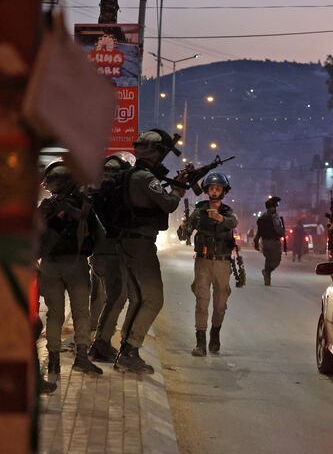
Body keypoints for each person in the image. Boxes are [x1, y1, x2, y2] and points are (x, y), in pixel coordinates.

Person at [115, 129, 185, 373]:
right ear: (155, 153)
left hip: (129, 242)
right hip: (139, 244)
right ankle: (131, 349)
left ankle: (127, 348)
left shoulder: (132, 174)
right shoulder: (145, 177)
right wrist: (180, 188)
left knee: (139, 298)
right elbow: (168, 204)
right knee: (154, 299)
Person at [37, 159, 103, 377]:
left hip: (48, 266)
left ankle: (54, 361)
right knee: (81, 313)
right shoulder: (83, 205)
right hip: (76, 265)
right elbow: (99, 234)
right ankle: (81, 358)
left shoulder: (45, 207)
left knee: (54, 315)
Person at [178, 171, 237, 356]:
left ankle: (215, 333)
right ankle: (200, 342)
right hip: (203, 261)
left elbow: (233, 223)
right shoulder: (199, 211)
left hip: (222, 263)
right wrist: (183, 227)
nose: (214, 191)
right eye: (211, 188)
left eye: (218, 188)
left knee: (220, 303)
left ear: (223, 191)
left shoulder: (228, 213)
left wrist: (220, 219)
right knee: (202, 301)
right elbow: (184, 235)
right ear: (207, 190)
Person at [88, 152, 135, 363]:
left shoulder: (93, 191)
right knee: (117, 297)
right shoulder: (113, 195)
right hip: (111, 254)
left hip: (98, 254)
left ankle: (99, 341)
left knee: (109, 297)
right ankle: (101, 343)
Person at [254, 196, 285, 286]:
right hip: (272, 242)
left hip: (267, 242)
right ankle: (267, 272)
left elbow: (258, 233)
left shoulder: (263, 218)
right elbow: (278, 230)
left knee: (269, 260)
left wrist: (256, 242)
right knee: (276, 261)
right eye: (274, 207)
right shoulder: (272, 218)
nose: (275, 209)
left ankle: (267, 276)